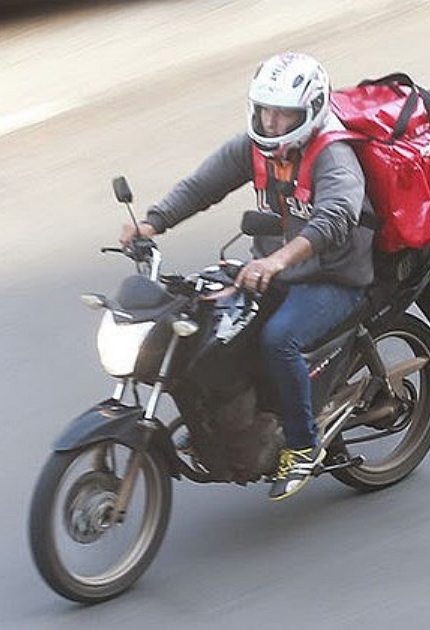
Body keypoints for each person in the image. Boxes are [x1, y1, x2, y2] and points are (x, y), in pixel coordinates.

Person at [120, 52, 374, 500]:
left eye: (284, 113)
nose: (272, 122)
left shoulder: (333, 155)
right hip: (271, 270)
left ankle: (302, 445)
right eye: (266, 110)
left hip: (333, 277)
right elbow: (203, 185)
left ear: (311, 111)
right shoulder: (255, 147)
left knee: (279, 339)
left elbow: (335, 218)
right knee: (207, 322)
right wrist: (153, 223)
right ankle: (223, 420)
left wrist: (278, 261)